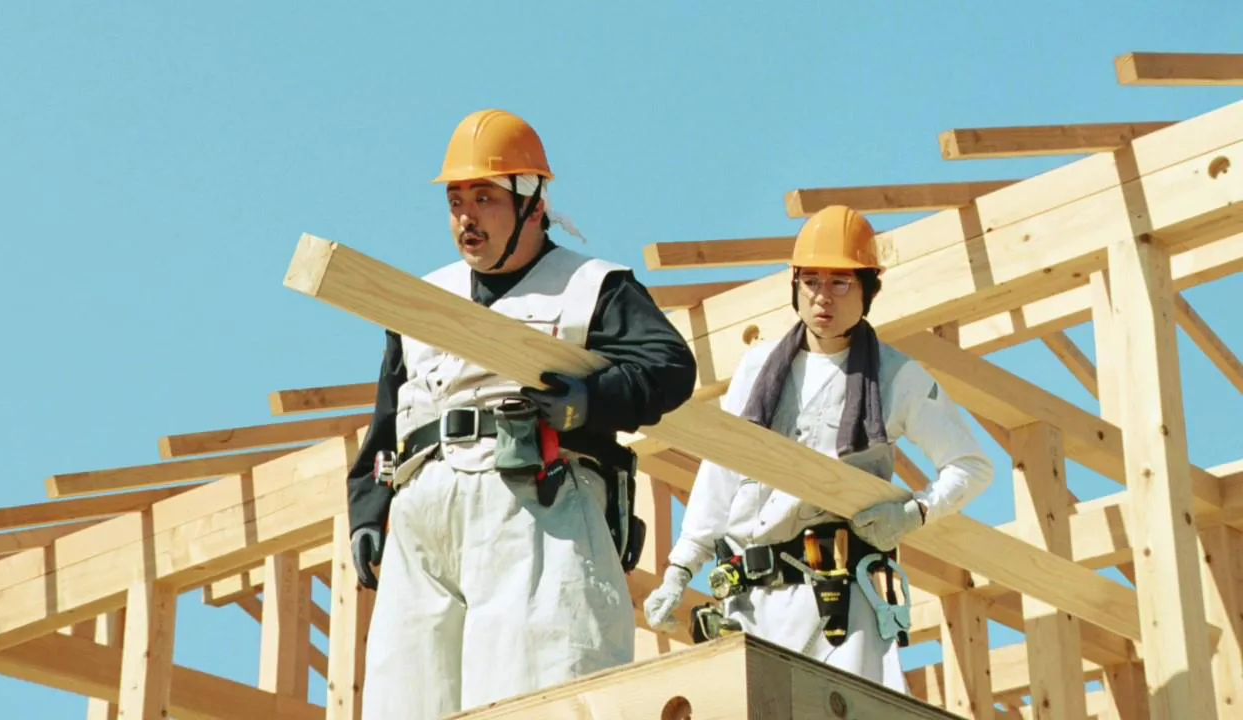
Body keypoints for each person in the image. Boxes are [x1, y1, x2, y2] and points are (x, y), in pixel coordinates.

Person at [345, 108, 698, 719]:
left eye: (484, 198)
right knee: (405, 700)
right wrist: (367, 509)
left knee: (533, 692)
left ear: (532, 203)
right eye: (456, 200)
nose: (466, 216)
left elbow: (669, 365)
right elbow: (390, 416)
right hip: (425, 521)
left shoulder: (591, 287)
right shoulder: (426, 302)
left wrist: (589, 402)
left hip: (534, 508)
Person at [641, 204, 994, 691]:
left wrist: (914, 513)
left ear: (868, 289)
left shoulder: (895, 377)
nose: (822, 296)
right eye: (811, 281)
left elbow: (971, 466)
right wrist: (681, 567)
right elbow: (722, 473)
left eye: (840, 282)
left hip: (841, 607)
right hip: (752, 598)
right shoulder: (759, 367)